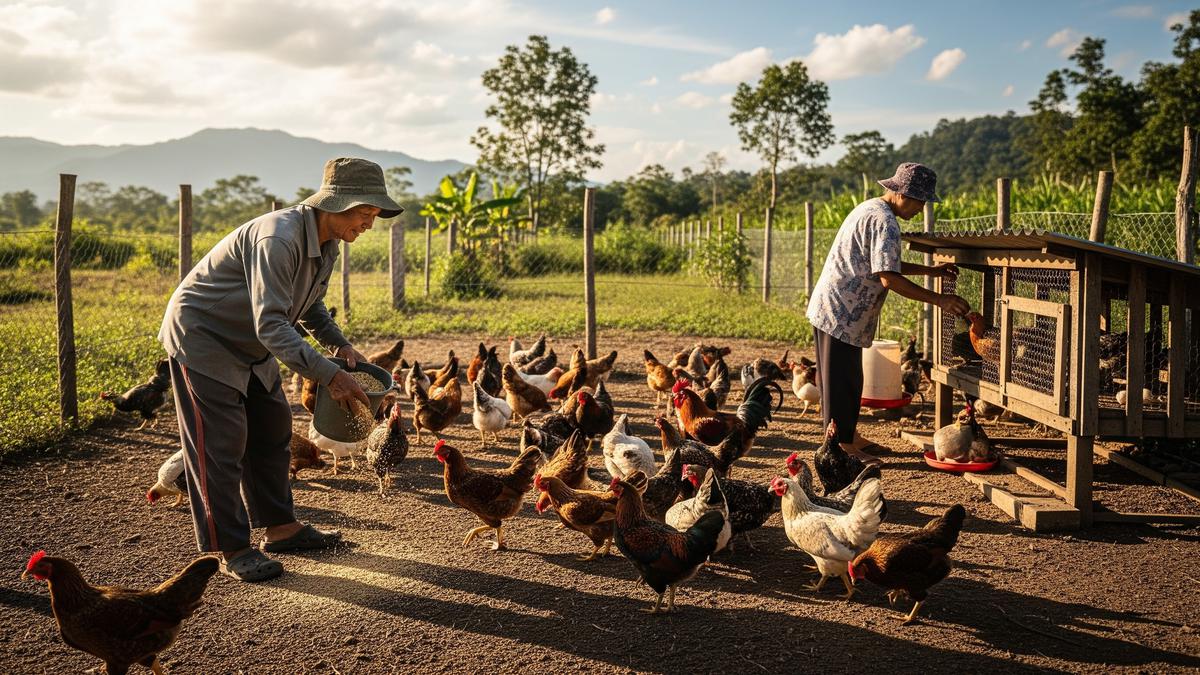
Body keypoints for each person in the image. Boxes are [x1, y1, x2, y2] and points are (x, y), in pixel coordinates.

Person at [159, 157, 403, 581]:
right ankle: (232, 548)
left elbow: (309, 305)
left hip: (251, 341)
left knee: (272, 428)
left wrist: (342, 348)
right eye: (365, 213)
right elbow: (271, 323)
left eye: (374, 216)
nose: (369, 223)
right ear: (337, 204)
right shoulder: (279, 238)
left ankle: (281, 528)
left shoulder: (325, 243)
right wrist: (329, 375)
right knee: (220, 445)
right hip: (204, 338)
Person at [805, 162, 969, 462]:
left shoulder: (871, 209)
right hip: (841, 311)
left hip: (839, 310)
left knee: (847, 379)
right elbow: (888, 277)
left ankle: (848, 436)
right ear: (903, 193)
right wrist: (940, 300)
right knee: (840, 382)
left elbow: (885, 263)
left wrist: (929, 271)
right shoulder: (886, 223)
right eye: (920, 201)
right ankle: (839, 448)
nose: (921, 208)